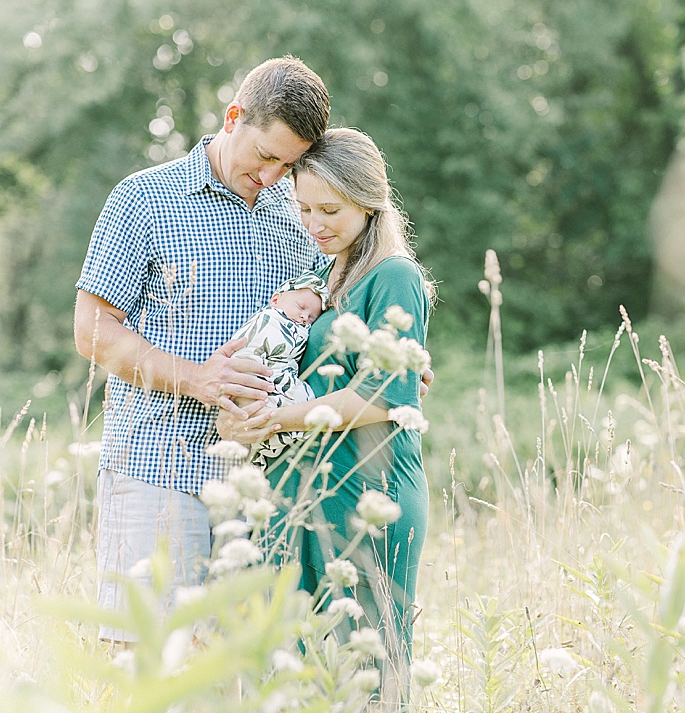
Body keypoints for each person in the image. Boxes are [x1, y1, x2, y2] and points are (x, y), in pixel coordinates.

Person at [73, 56, 331, 642]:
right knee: (146, 664)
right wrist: (198, 380)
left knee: (237, 674)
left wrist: (393, 361)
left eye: (287, 165)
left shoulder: (299, 218)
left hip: (263, 484)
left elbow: (331, 316)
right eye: (265, 156)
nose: (271, 175)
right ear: (233, 116)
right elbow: (92, 329)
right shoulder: (144, 198)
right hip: (156, 470)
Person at [217, 127, 435, 706]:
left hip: (367, 489)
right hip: (308, 491)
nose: (316, 223)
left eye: (331, 210)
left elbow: (381, 396)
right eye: (306, 208)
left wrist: (275, 418)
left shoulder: (393, 275)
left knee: (364, 663)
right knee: (299, 667)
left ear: (370, 202)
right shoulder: (329, 277)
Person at [229, 272, 329, 468]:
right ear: (276, 299)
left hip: (283, 378)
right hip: (262, 378)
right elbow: (247, 350)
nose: (304, 317)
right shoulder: (269, 319)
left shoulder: (299, 327)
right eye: (301, 308)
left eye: (311, 318)